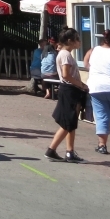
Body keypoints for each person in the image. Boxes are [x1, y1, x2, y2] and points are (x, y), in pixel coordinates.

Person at [45, 28, 89, 162]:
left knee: (71, 122)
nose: (79, 42)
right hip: (69, 90)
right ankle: (51, 150)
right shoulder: (65, 55)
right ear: (70, 41)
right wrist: (81, 84)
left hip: (70, 89)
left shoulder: (65, 54)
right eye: (77, 39)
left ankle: (70, 151)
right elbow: (66, 74)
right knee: (67, 123)